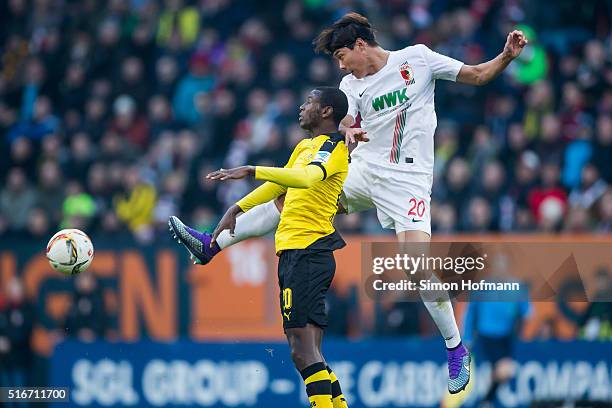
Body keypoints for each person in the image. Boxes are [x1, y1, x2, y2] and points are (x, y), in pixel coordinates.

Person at [171, 12, 528, 394]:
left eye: (342, 55)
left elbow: (475, 75)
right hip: (363, 170)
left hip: (407, 181)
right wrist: (347, 130)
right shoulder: (349, 85)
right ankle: (212, 244)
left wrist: (505, 56)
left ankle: (456, 349)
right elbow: (343, 123)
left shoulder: (418, 59)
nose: (340, 65)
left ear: (360, 45)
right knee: (293, 196)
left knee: (416, 266)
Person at [170, 87, 350, 408]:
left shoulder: (334, 147)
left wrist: (251, 169)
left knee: (301, 350)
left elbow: (308, 179)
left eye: (309, 101)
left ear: (326, 112)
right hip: (298, 253)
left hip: (308, 252)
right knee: (311, 352)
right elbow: (281, 184)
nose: (302, 106)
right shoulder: (305, 146)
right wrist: (236, 208)